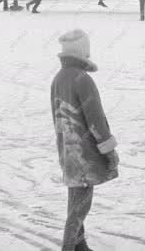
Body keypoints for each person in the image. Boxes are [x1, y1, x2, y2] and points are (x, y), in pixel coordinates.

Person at [51, 29, 119, 251]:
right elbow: (96, 121)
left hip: (67, 151)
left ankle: (79, 245)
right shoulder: (83, 80)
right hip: (85, 152)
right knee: (80, 206)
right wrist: (109, 150)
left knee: (75, 200)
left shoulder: (58, 79)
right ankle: (68, 247)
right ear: (83, 51)